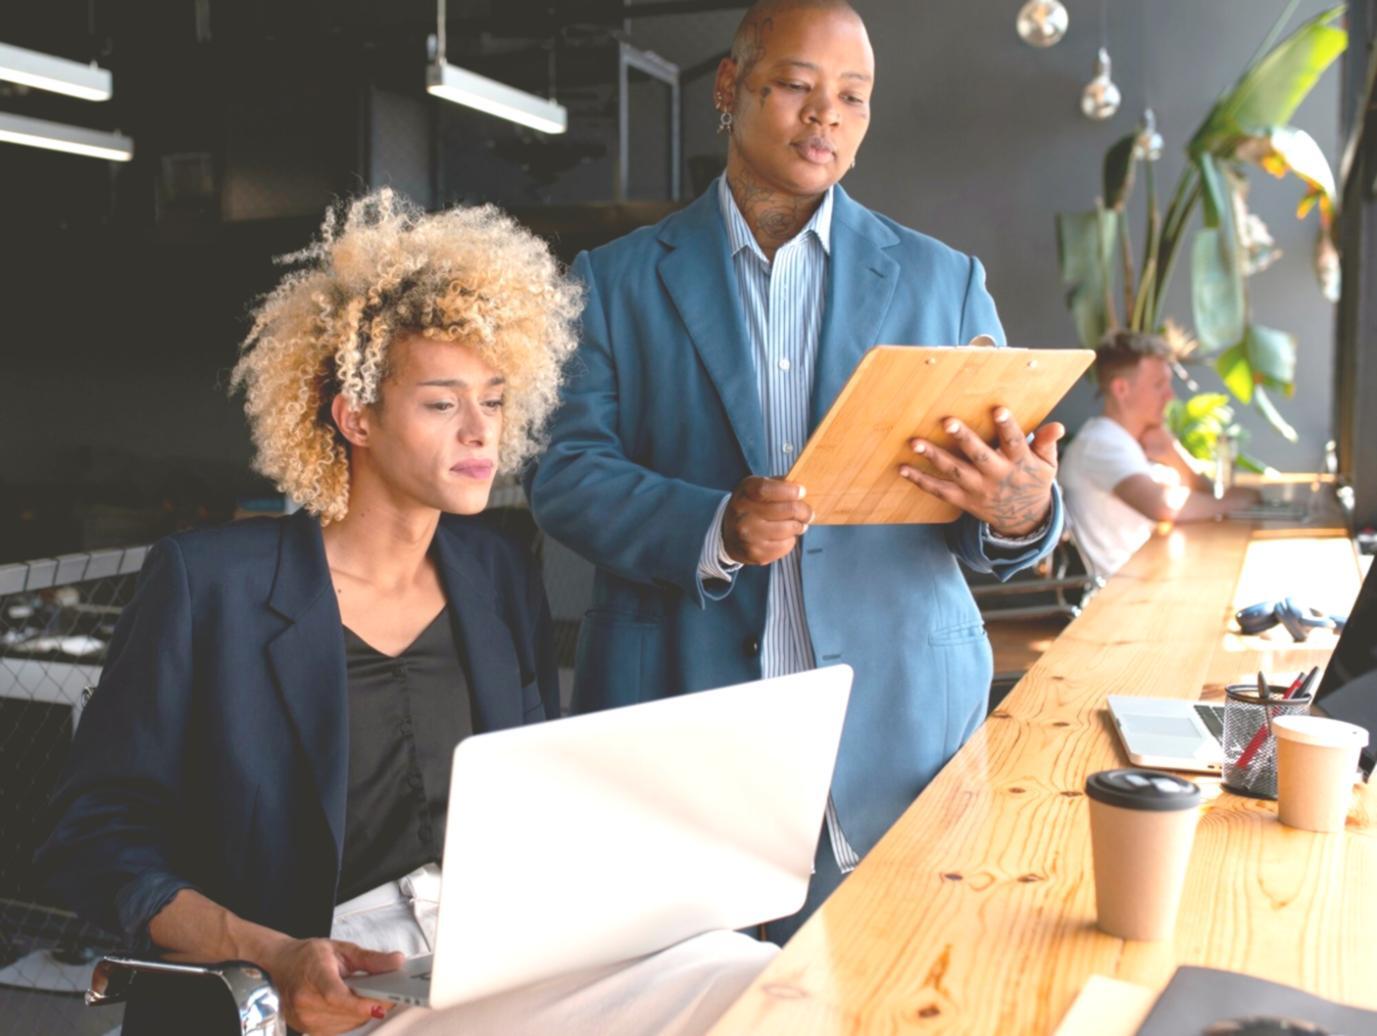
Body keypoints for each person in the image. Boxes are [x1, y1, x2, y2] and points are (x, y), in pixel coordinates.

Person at [36, 190, 775, 1036]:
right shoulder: (212, 584)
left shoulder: (497, 571)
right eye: (440, 403)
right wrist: (268, 950)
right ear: (354, 417)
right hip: (324, 967)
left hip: (494, 946)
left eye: (493, 401)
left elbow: (532, 799)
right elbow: (92, 838)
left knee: (746, 972)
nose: (479, 432)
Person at [527, 0, 1064, 942]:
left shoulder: (945, 282)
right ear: (729, 91)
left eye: (852, 98)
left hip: (899, 731)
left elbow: (999, 503)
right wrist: (713, 527)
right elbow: (565, 472)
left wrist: (1023, 510)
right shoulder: (610, 282)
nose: (826, 117)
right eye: (796, 87)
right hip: (683, 721)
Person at [1059, 330, 1260, 579]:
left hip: (1146, 575)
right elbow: (1162, 505)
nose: (1170, 396)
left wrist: (1172, 451)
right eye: (1159, 385)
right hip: (1119, 594)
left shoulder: (1129, 441)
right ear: (1121, 389)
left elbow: (1202, 495)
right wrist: (1235, 502)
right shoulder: (1101, 442)